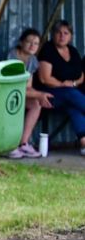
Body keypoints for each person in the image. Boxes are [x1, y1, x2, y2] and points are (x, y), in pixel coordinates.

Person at [35, 19, 85, 155]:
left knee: (73, 106)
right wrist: (63, 84)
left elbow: (81, 76)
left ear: (71, 36)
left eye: (66, 33)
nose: (62, 36)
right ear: (53, 34)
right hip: (48, 94)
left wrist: (73, 83)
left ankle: (84, 142)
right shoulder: (48, 49)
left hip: (69, 96)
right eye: (58, 33)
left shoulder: (73, 51)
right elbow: (44, 78)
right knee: (71, 94)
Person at [8, 28, 52, 159]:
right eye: (29, 42)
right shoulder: (12, 56)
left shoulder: (33, 60)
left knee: (36, 104)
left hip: (18, 93)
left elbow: (28, 86)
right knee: (16, 104)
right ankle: (10, 146)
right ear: (21, 42)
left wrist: (40, 95)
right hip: (6, 93)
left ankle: (23, 143)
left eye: (36, 43)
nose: (33, 46)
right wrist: (39, 94)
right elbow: (12, 88)